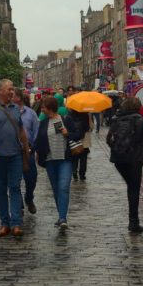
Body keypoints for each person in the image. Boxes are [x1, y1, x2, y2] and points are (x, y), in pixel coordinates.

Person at [0, 79, 29, 237]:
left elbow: (21, 130)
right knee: (1, 189)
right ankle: (4, 223)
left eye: (12, 89)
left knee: (15, 188)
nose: (12, 92)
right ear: (0, 90)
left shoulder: (16, 108)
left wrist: (26, 147)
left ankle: (16, 223)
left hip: (15, 154)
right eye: (9, 89)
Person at [106, 97, 143, 234]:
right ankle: (134, 223)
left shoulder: (116, 119)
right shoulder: (140, 120)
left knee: (131, 187)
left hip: (119, 160)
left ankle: (133, 222)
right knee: (134, 189)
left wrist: (118, 148)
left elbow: (108, 139)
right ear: (137, 107)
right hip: (135, 159)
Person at [34, 96, 80, 232]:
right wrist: (33, 149)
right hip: (50, 160)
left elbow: (77, 134)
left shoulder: (66, 119)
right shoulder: (43, 122)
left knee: (64, 187)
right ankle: (61, 216)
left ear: (50, 108)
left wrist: (68, 133)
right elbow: (38, 140)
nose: (41, 109)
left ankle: (62, 218)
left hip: (65, 159)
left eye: (43, 107)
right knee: (56, 189)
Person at [12, 88, 39, 214]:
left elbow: (36, 130)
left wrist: (33, 146)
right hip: (13, 150)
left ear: (19, 97)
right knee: (15, 180)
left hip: (28, 151)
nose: (10, 97)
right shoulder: (9, 112)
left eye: (13, 95)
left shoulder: (31, 113)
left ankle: (29, 198)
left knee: (31, 178)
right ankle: (20, 205)